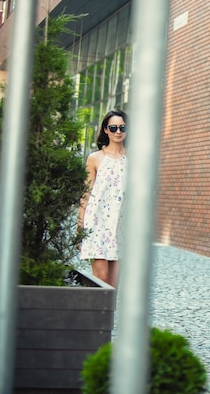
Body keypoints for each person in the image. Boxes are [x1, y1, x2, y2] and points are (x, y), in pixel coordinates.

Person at [78, 109, 128, 287]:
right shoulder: (95, 158)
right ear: (106, 130)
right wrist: (80, 226)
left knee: (113, 286)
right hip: (97, 224)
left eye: (122, 127)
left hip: (121, 226)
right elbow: (86, 193)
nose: (118, 131)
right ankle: (94, 315)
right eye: (113, 127)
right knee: (101, 281)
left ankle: (107, 316)